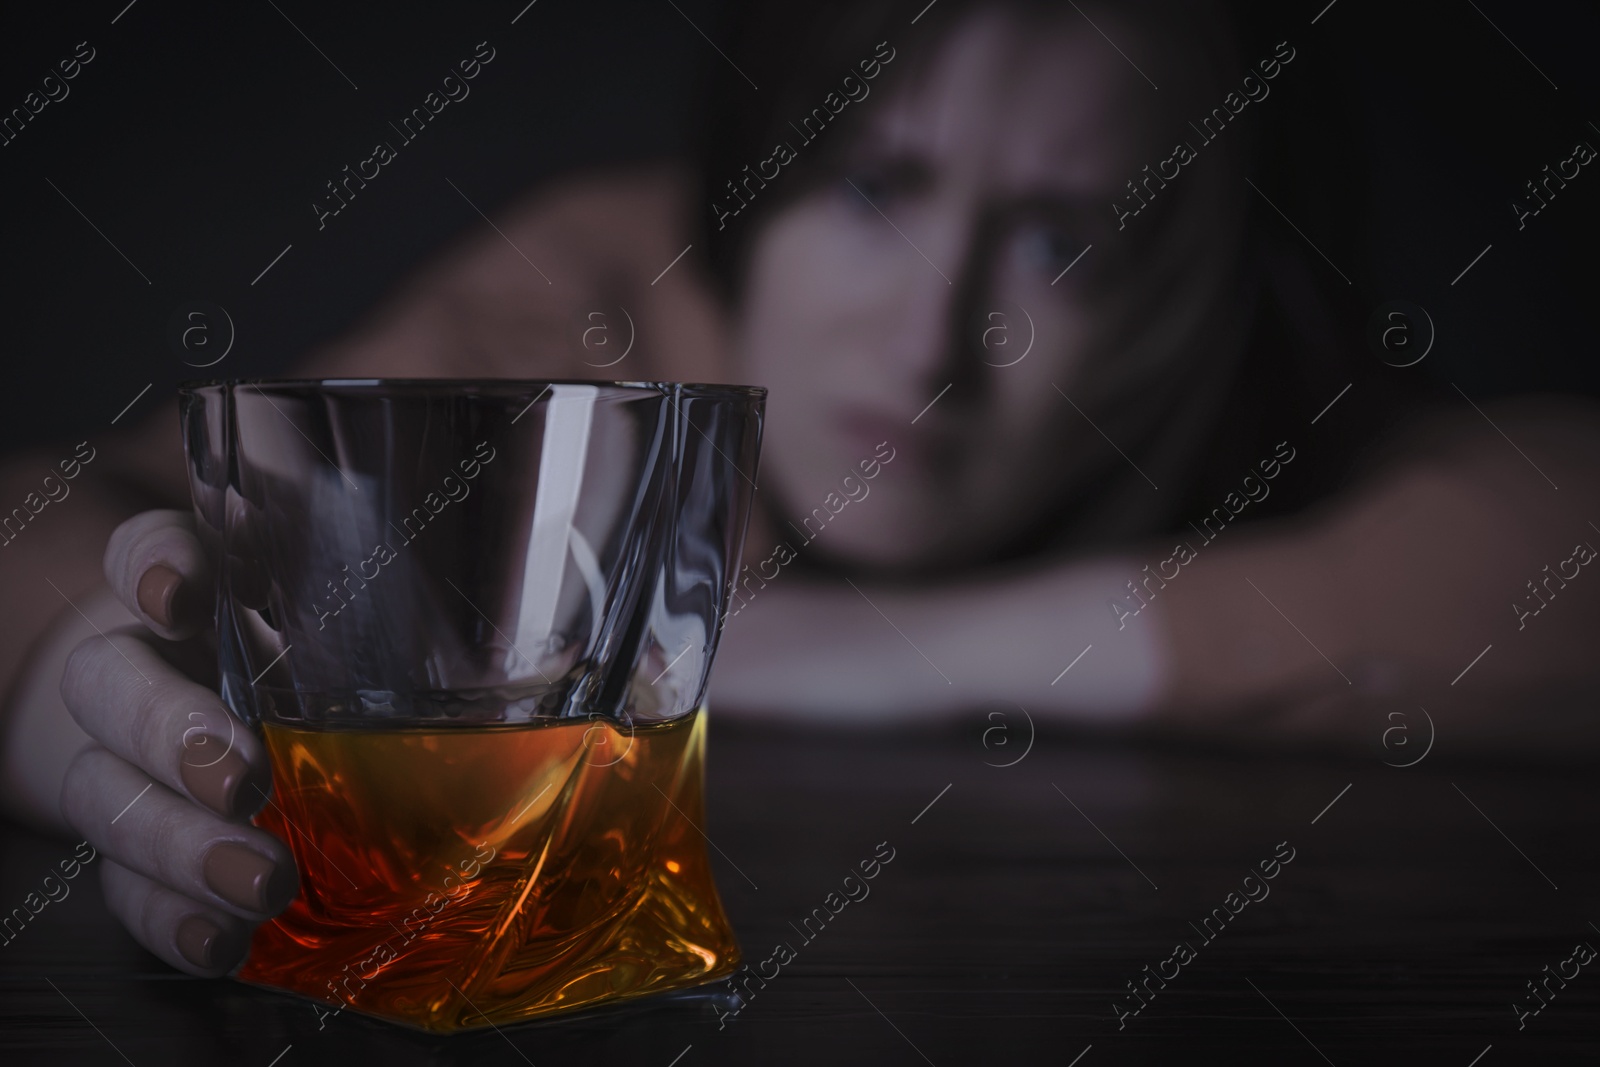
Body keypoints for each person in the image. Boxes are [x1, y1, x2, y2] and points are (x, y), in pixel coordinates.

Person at [2, 0, 1597, 979]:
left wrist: (870, 654)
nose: (927, 339)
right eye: (874, 185)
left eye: (1070, 239)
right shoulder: (581, 332)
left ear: (1200, 304)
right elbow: (80, 508)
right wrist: (67, 678)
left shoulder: (1245, 386)